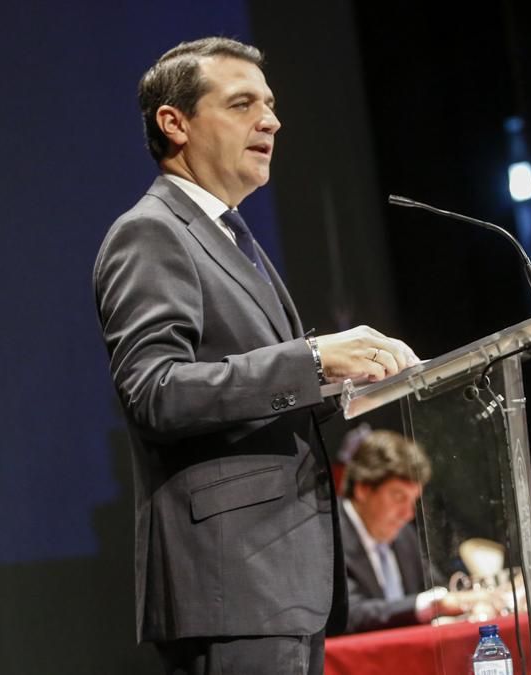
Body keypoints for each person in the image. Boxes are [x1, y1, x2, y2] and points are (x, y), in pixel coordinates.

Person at [93, 37, 418, 675]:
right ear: (174, 123)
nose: (270, 120)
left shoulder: (234, 237)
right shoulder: (151, 232)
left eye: (268, 105)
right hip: (233, 584)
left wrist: (351, 387)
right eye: (242, 104)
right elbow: (155, 393)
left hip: (284, 582)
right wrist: (315, 360)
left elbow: (267, 394)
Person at [338, 430, 469, 633]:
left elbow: (436, 587)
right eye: (399, 497)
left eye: (413, 501)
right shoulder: (329, 540)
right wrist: (428, 605)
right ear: (363, 489)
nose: (408, 514)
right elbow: (349, 615)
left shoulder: (403, 536)